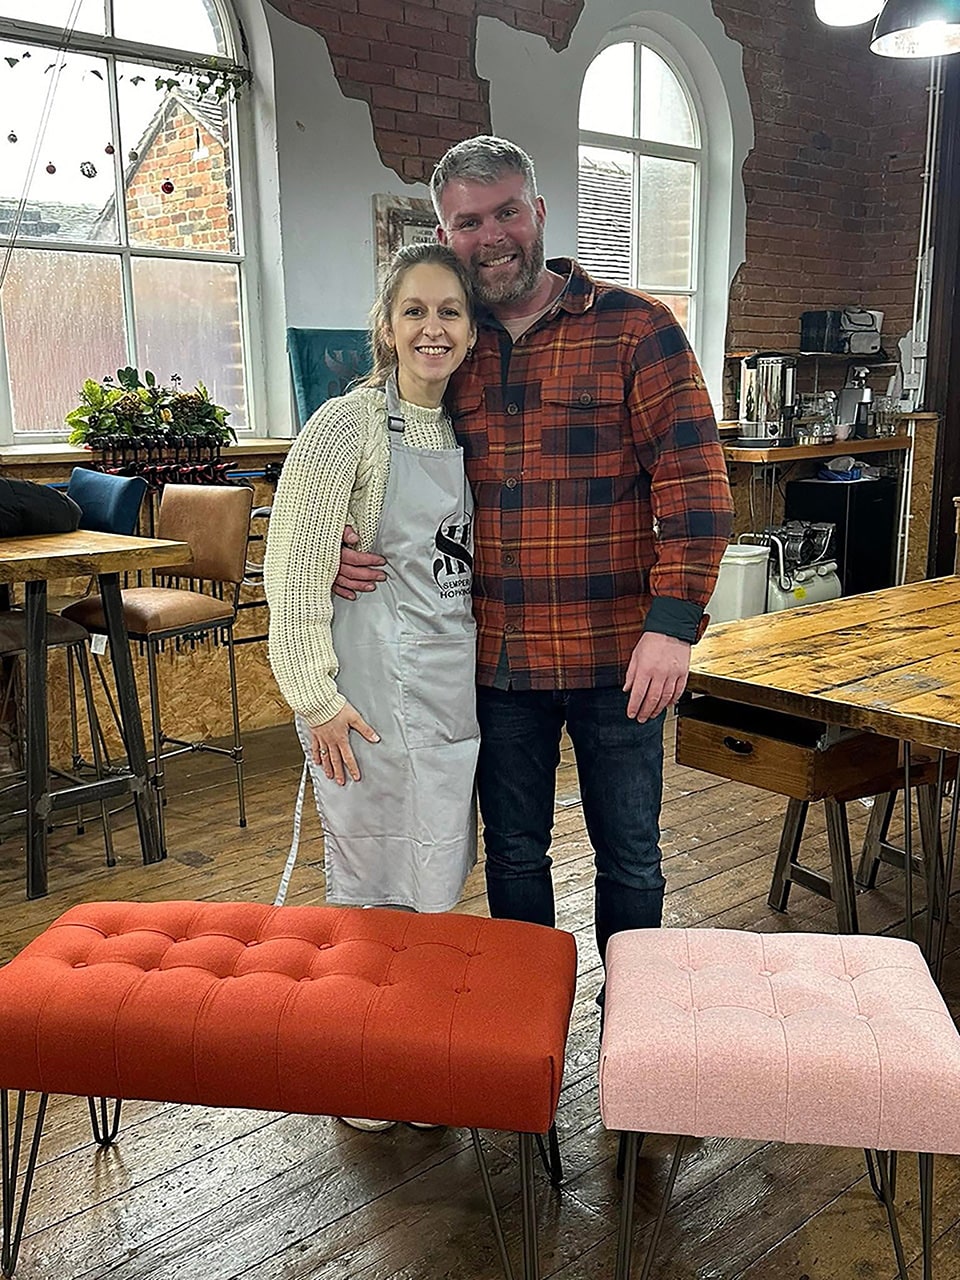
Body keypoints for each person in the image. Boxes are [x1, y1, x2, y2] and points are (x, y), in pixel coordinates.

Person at [336, 136, 734, 972]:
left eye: (507, 212)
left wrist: (673, 626)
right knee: (514, 857)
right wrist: (337, 544)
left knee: (632, 858)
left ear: (539, 212)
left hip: (619, 656)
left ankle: (635, 1025)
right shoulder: (448, 346)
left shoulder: (636, 328)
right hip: (492, 661)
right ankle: (525, 1026)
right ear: (446, 235)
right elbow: (377, 459)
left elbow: (695, 485)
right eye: (468, 222)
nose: (492, 236)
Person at [264, 241, 479, 941]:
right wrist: (315, 701)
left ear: (472, 330)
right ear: (386, 326)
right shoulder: (345, 426)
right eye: (414, 311)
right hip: (368, 698)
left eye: (450, 312)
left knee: (436, 877)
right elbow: (293, 577)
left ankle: (416, 1004)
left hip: (448, 691)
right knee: (377, 890)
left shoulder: (466, 428)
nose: (432, 329)